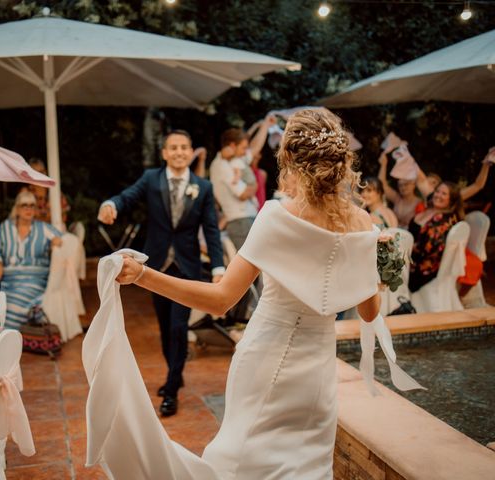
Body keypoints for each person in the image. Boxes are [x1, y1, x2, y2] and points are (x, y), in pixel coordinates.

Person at [100, 108, 382, 479]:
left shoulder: (276, 217)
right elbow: (369, 311)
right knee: (307, 463)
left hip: (266, 356)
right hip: (318, 367)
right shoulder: (363, 223)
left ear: (290, 159)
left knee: (242, 458)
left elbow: (220, 300)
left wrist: (144, 275)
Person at [97, 129, 225, 417]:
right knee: (166, 328)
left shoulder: (203, 187)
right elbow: (127, 197)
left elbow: (212, 230)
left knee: (179, 328)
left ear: (191, 152)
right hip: (154, 269)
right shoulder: (151, 179)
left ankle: (170, 389)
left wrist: (217, 267)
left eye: (184, 147)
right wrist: (110, 205)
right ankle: (175, 372)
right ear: (165, 153)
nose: (179, 152)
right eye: (174, 148)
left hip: (187, 269)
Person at [0, 190, 62, 330]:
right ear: (17, 208)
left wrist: (55, 244)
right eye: (24, 205)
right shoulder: (4, 228)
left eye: (32, 205)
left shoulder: (43, 228)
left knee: (14, 303)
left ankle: (6, 339)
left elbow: (61, 240)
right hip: (9, 280)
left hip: (34, 280)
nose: (28, 209)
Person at [209, 116, 275, 249]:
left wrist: (265, 126)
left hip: (246, 218)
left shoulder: (235, 161)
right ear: (233, 146)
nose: (246, 152)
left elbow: (254, 148)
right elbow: (243, 194)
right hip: (240, 221)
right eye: (244, 148)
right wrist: (255, 185)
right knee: (255, 267)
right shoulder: (222, 166)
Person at [408, 181, 465, 293]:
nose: (438, 195)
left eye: (444, 193)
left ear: (452, 200)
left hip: (420, 269)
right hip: (411, 257)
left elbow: (427, 249)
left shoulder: (444, 220)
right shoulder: (430, 210)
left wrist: (401, 249)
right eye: (437, 191)